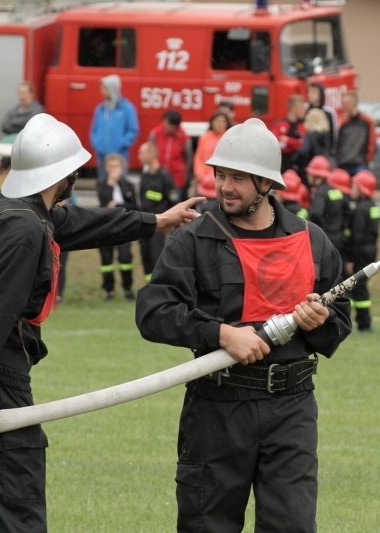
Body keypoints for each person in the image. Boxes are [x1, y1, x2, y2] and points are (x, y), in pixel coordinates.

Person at [0, 113, 201, 533]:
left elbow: (79, 223)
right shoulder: (23, 230)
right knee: (19, 511)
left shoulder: (3, 208)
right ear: (63, 174)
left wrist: (155, 221)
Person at [135, 117, 352, 532]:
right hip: (217, 406)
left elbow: (339, 321)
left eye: (237, 177)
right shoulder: (193, 239)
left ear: (266, 183)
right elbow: (153, 312)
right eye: (220, 175)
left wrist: (320, 320)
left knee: (291, 525)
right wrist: (219, 333)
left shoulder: (311, 240)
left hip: (291, 407)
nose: (224, 187)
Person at [97, 153, 139, 299]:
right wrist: (110, 184)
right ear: (106, 168)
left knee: (125, 257)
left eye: (116, 166)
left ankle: (127, 288)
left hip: (124, 226)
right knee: (106, 259)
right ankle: (109, 289)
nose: (113, 169)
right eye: (110, 166)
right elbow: (104, 203)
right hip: (106, 227)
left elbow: (133, 206)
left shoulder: (128, 185)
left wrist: (117, 205)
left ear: (122, 167)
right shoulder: (102, 185)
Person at [345, 170, 380, 332]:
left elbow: (356, 236)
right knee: (362, 286)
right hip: (370, 250)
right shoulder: (373, 207)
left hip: (359, 252)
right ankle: (363, 321)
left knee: (358, 287)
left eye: (354, 186)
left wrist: (350, 258)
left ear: (362, 188)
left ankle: (363, 323)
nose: (351, 189)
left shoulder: (360, 209)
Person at [137, 141, 177, 282]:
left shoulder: (164, 176)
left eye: (141, 153)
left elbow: (173, 201)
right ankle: (149, 285)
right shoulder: (145, 176)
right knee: (145, 256)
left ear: (151, 154)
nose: (139, 156)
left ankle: (158, 285)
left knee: (156, 256)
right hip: (144, 223)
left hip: (159, 226)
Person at [90, 74, 139, 183]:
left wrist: (121, 144)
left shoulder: (127, 108)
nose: (102, 91)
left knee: (120, 184)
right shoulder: (100, 109)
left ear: (112, 88)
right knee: (103, 185)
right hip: (101, 155)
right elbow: (94, 130)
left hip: (119, 156)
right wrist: (97, 144)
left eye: (104, 88)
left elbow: (133, 130)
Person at [149, 109, 192, 200]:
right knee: (156, 201)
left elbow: (188, 158)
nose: (166, 126)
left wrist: (184, 175)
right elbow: (150, 152)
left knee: (174, 202)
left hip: (176, 179)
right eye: (165, 122)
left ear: (176, 126)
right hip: (157, 176)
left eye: (169, 124)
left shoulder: (184, 137)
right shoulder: (155, 133)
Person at [335, 90, 375, 176]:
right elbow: (338, 143)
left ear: (353, 103)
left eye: (345, 103)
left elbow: (371, 143)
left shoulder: (367, 122)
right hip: (344, 164)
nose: (343, 106)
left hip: (360, 164)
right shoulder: (342, 123)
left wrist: (367, 160)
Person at [271, 94, 307, 173]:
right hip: (281, 166)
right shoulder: (280, 124)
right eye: (301, 107)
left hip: (298, 167)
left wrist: (288, 140)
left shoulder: (303, 126)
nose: (304, 110)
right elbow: (275, 143)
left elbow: (303, 144)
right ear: (293, 108)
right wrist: (294, 143)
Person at [297, 107, 333, 186]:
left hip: (312, 168)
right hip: (324, 168)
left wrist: (295, 161)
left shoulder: (310, 135)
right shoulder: (326, 135)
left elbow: (303, 151)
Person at [193, 111, 229, 183]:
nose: (220, 124)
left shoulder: (228, 137)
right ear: (212, 122)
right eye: (217, 121)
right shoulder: (205, 137)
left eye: (223, 121)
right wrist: (200, 176)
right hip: (204, 179)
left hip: (223, 179)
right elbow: (199, 157)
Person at [306, 82, 339, 149]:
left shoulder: (329, 112)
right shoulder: (304, 110)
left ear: (321, 94)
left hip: (324, 149)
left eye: (314, 91)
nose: (310, 94)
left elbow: (333, 134)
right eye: (309, 91)